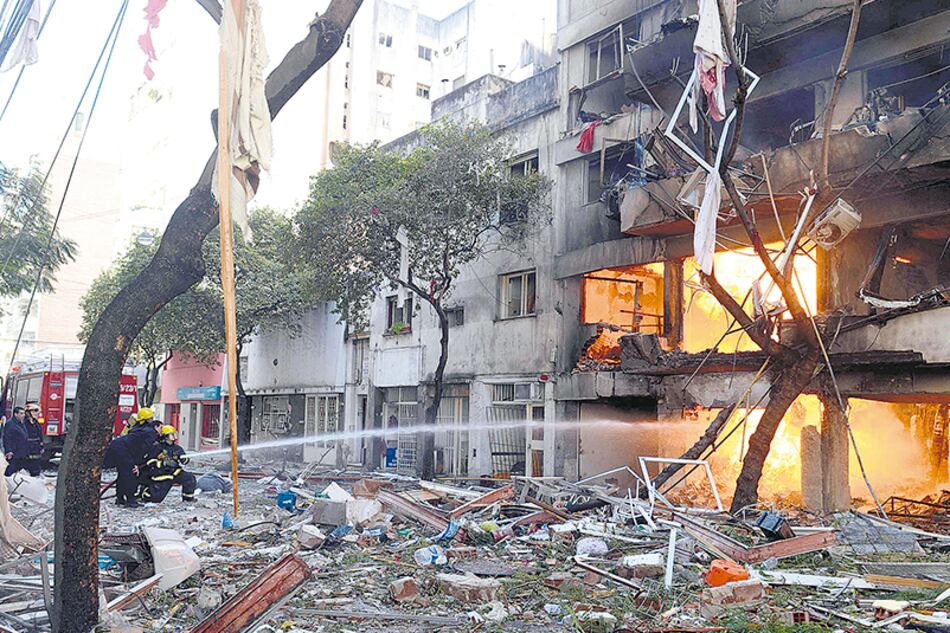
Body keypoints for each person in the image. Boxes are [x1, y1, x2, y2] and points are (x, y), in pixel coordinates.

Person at [104, 417, 160, 508]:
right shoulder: (151, 432)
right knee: (131, 474)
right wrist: (136, 464)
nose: (161, 430)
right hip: (124, 451)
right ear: (156, 426)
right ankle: (130, 500)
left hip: (117, 447)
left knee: (123, 474)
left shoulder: (139, 428)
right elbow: (142, 449)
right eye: (160, 427)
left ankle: (120, 498)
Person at [137, 425, 196, 504]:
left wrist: (184, 459)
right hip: (161, 473)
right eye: (171, 434)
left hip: (175, 471)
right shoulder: (157, 447)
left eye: (174, 434)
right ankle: (145, 493)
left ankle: (188, 498)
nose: (174, 436)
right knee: (156, 499)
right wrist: (161, 462)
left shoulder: (177, 448)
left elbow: (184, 461)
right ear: (165, 436)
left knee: (189, 478)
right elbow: (149, 461)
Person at [4, 404, 43, 477]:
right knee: (12, 469)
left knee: (33, 470)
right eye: (34, 411)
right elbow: (7, 438)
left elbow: (39, 435)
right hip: (17, 451)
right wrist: (9, 450)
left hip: (31, 450)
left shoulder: (35, 423)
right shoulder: (16, 423)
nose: (36, 413)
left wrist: (41, 445)